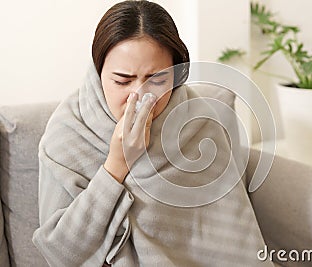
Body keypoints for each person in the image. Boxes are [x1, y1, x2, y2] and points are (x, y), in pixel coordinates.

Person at [32, 1, 274, 266]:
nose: (140, 96)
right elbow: (59, 253)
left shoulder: (201, 123)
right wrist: (116, 165)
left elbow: (234, 239)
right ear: (98, 74)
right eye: (123, 81)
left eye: (157, 80)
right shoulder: (68, 134)